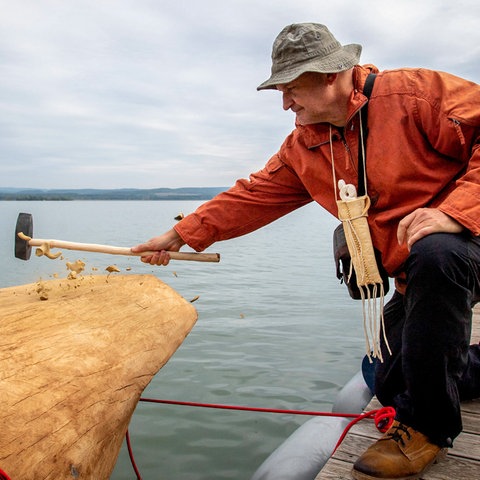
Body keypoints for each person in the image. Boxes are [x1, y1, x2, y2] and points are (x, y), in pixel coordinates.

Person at [132, 23, 480, 479]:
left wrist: (457, 211)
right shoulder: (306, 144)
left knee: (438, 252)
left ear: (330, 75)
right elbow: (253, 194)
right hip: (417, 275)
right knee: (385, 377)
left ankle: (428, 430)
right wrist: (180, 235)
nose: (285, 103)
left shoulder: (416, 95)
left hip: (464, 246)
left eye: (292, 88)